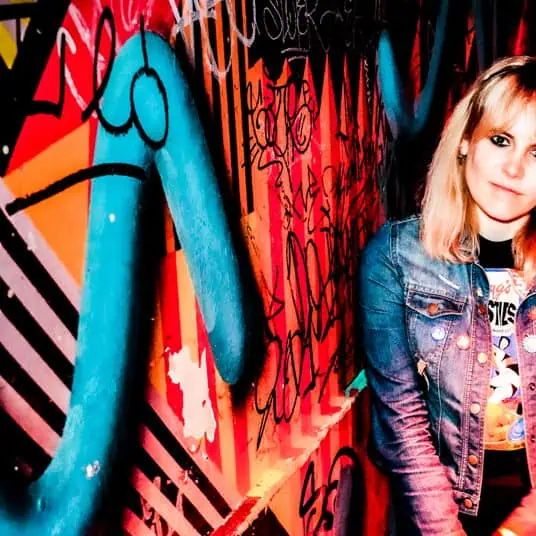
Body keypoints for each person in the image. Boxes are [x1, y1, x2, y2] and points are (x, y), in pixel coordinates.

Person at [359, 56, 536, 535]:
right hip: (436, 514)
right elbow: (402, 425)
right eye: (501, 140)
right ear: (465, 142)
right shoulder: (395, 259)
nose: (514, 168)